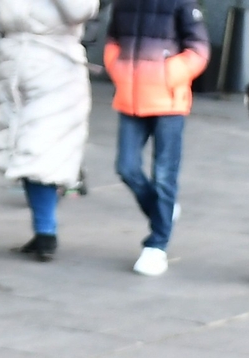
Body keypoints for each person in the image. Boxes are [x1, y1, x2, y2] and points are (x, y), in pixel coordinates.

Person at [0, 0, 97, 260]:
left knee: (37, 149)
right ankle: (43, 228)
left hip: (57, 75)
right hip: (12, 82)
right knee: (22, 154)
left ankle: (46, 232)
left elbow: (82, 10)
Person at [107, 0, 210, 276]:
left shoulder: (182, 3)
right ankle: (162, 212)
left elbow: (198, 49)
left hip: (169, 103)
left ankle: (157, 244)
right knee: (126, 167)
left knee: (165, 174)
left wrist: (168, 74)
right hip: (130, 99)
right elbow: (113, 40)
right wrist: (117, 69)